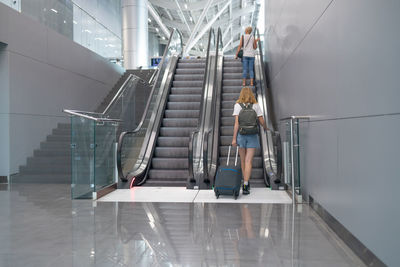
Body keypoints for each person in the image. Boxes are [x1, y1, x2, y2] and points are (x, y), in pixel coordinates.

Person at [232, 87, 268, 195]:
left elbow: (236, 124)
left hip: (241, 135)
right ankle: (246, 184)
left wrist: (234, 138)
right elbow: (261, 120)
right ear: (251, 94)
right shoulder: (256, 105)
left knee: (243, 161)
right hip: (252, 135)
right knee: (249, 161)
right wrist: (266, 128)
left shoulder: (237, 105)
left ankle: (245, 181)